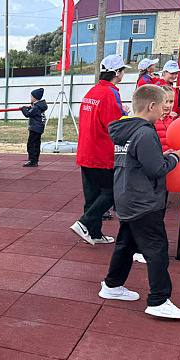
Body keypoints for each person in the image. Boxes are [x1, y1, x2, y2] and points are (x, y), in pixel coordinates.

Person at [99, 84, 180, 319]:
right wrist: (174, 157)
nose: (164, 110)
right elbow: (156, 168)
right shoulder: (145, 132)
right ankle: (159, 299)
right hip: (142, 200)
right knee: (156, 249)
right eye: (162, 105)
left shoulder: (124, 130)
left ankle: (112, 285)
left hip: (127, 196)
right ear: (151, 105)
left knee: (127, 244)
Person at [70, 54, 129, 246]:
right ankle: (85, 223)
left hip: (86, 151)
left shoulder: (92, 92)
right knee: (112, 192)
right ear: (117, 73)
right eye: (122, 71)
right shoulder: (110, 93)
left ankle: (93, 233)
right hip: (101, 153)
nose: (123, 75)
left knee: (92, 195)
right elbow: (115, 126)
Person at [20, 88, 48, 167]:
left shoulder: (36, 107)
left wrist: (23, 109)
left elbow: (28, 114)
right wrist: (29, 108)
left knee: (31, 144)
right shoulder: (40, 105)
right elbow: (32, 112)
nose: (30, 98)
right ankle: (35, 160)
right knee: (36, 144)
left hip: (35, 128)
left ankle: (32, 160)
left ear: (35, 97)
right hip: (39, 128)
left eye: (31, 96)